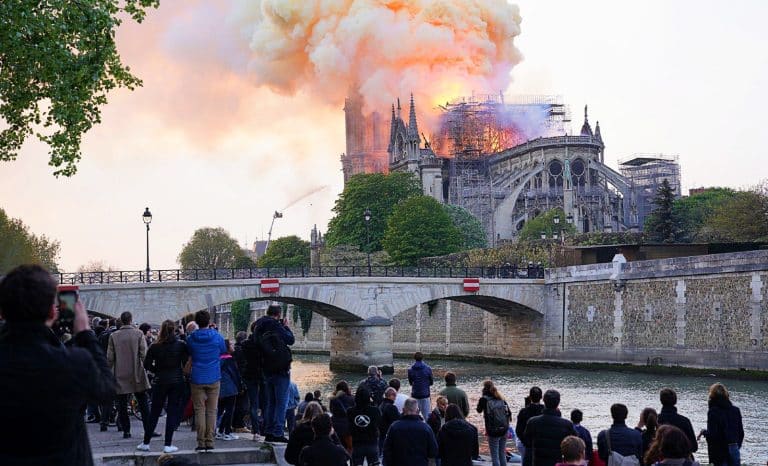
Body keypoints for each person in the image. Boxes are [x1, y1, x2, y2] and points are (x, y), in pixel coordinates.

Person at [0, 264, 116, 466]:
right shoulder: (74, 363)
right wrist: (85, 333)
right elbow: (107, 390)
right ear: (52, 313)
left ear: (2, 312)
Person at [139, 319, 189, 453]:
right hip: (177, 380)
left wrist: (157, 371)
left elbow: (147, 364)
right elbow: (186, 358)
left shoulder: (155, 346)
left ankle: (146, 442)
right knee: (172, 411)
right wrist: (183, 335)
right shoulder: (180, 344)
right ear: (174, 330)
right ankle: (168, 444)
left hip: (160, 381)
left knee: (154, 412)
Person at [185, 309, 227, 451]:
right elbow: (223, 350)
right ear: (209, 321)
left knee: (199, 410)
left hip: (197, 377)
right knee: (212, 410)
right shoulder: (217, 336)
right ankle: (210, 441)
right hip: (214, 376)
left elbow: (189, 352)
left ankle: (201, 442)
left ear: (196, 322)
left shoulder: (191, 338)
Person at [254, 303, 295, 443]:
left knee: (270, 402)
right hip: (281, 369)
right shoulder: (276, 325)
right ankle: (278, 432)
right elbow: (290, 340)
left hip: (266, 368)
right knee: (281, 402)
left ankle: (269, 431)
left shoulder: (257, 326)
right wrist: (286, 326)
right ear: (278, 314)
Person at [107, 311, 152, 440]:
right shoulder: (138, 334)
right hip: (136, 372)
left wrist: (108, 371)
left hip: (120, 372)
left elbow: (109, 358)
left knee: (122, 404)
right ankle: (148, 429)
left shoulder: (114, 336)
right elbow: (144, 355)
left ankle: (126, 430)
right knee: (143, 402)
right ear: (131, 320)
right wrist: (147, 369)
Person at [523, 389, 577, 466]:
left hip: (538, 461)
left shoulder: (532, 422)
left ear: (544, 401)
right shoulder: (567, 424)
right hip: (557, 461)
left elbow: (526, 441)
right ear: (558, 403)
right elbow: (575, 443)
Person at [383, 398, 438, 466]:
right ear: (417, 411)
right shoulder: (426, 428)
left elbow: (386, 450)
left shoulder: (394, 427)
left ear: (403, 410)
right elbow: (433, 451)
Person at [700, 383, 744, 466]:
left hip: (719, 450)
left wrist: (704, 432)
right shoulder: (736, 410)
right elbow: (741, 432)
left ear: (712, 396)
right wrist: (737, 446)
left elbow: (713, 434)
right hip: (734, 446)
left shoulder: (713, 411)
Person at [477, 380, 512, 466]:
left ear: (484, 388)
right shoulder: (501, 398)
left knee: (495, 456)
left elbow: (478, 410)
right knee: (502, 454)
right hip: (504, 429)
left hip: (493, 431)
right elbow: (509, 413)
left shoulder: (484, 399)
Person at [241, 320, 265, 440]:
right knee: (266, 404)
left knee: (253, 405)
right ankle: (265, 429)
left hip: (249, 376)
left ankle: (256, 431)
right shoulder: (263, 344)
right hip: (262, 376)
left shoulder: (245, 344)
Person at [347, 386, 382, 466]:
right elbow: (380, 424)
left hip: (357, 444)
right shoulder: (375, 410)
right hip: (372, 442)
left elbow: (349, 427)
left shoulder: (350, 411)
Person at [216, 339, 243, 441]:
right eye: (231, 345)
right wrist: (239, 387)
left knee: (222, 409)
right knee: (230, 410)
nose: (234, 346)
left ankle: (220, 431)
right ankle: (227, 432)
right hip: (230, 388)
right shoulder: (229, 359)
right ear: (227, 347)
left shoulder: (220, 359)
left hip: (222, 388)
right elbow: (235, 375)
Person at [657, 388, 698, 453]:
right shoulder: (684, 421)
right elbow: (694, 447)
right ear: (675, 401)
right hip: (681, 459)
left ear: (661, 400)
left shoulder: (655, 419)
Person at [515, 386, 544, 460]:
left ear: (530, 397)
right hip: (541, 444)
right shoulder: (545, 411)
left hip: (527, 444)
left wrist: (525, 442)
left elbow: (518, 430)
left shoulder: (524, 411)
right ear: (541, 397)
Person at [231, 330, 251, 434]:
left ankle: (234, 424)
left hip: (233, 380)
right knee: (243, 405)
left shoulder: (234, 350)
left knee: (235, 403)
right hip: (242, 380)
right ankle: (238, 425)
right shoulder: (244, 351)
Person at [330, 380, 355, 452]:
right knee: (350, 446)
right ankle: (349, 460)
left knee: (337, 445)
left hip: (335, 424)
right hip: (347, 425)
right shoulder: (351, 398)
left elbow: (331, 410)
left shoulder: (333, 399)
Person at [407, 352, 434, 418]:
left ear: (414, 358)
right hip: (425, 395)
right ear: (422, 358)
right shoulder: (428, 369)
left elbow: (410, 383)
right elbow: (431, 382)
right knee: (427, 416)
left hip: (415, 394)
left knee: (413, 415)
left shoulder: (410, 370)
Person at [379, 387, 401, 454]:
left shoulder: (381, 405)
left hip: (381, 434)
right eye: (395, 396)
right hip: (387, 434)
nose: (395, 398)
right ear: (391, 395)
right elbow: (397, 420)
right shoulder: (391, 407)